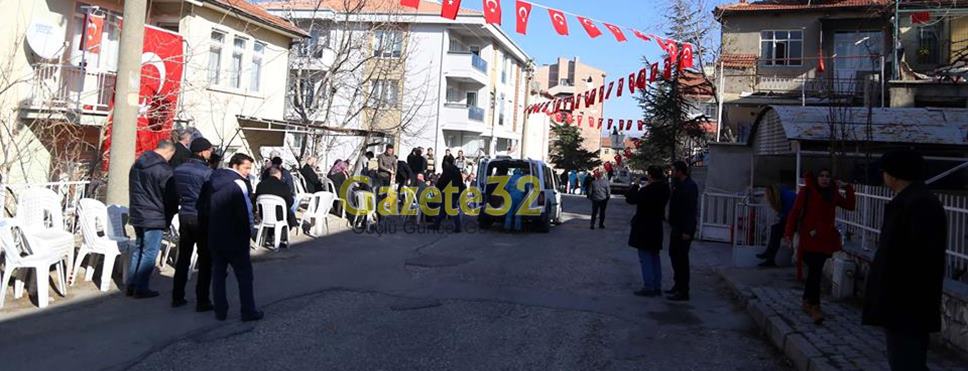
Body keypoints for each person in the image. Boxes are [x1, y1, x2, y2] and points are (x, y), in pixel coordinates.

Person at [863, 150, 946, 371]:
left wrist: (892, 293)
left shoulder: (919, 204)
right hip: (901, 303)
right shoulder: (910, 201)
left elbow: (916, 258)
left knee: (907, 363)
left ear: (894, 174)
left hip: (907, 303)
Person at [784, 168, 856, 324]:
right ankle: (815, 306)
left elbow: (850, 205)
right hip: (809, 238)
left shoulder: (833, 193)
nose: (824, 179)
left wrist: (847, 187)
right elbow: (795, 212)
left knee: (814, 272)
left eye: (827, 176)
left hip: (825, 239)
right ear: (816, 178)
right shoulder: (807, 191)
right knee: (815, 271)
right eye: (821, 176)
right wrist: (788, 233)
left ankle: (806, 301)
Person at [199, 153, 263, 322]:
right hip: (235, 236)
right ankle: (248, 311)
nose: (248, 172)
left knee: (219, 274)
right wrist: (249, 232)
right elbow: (247, 211)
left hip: (215, 234)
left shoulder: (212, 178)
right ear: (235, 166)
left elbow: (203, 207)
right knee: (244, 275)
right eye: (246, 168)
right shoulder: (239, 184)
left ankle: (220, 311)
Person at [127, 140, 178, 298]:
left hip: (137, 213)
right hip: (155, 215)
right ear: (168, 152)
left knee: (139, 248)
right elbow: (171, 198)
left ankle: (132, 285)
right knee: (150, 253)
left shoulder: (137, 164)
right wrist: (168, 218)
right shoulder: (163, 170)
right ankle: (141, 288)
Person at [171, 138, 215, 311]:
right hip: (202, 217)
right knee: (205, 260)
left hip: (185, 215)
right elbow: (211, 196)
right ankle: (202, 300)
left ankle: (177, 296)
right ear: (203, 151)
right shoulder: (206, 172)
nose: (211, 153)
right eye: (209, 150)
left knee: (183, 257)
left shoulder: (179, 169)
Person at [627, 167, 670, 297]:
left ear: (650, 176)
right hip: (656, 225)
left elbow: (630, 199)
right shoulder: (665, 189)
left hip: (644, 226)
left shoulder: (647, 190)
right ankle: (657, 286)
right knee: (654, 257)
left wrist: (635, 185)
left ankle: (648, 286)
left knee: (645, 257)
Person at [666, 161, 699, 302]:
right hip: (676, 226)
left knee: (681, 259)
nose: (671, 173)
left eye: (673, 170)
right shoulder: (678, 185)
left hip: (684, 228)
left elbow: (691, 210)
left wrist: (687, 230)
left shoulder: (690, 186)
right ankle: (677, 284)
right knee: (674, 255)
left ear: (680, 171)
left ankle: (683, 290)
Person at [757, 184, 797, 267]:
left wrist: (782, 217)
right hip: (793, 217)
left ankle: (770, 256)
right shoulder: (783, 194)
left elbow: (789, 211)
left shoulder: (786, 196)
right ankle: (770, 256)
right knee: (775, 229)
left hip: (797, 219)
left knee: (776, 229)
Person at [256, 166, 298, 239]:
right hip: (280, 216)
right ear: (279, 174)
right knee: (289, 213)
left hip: (264, 214)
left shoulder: (260, 185)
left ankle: (270, 234)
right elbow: (290, 201)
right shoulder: (283, 186)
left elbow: (256, 198)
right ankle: (281, 237)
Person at [433, 156, 465, 233]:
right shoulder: (456, 169)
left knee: (450, 208)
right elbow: (460, 181)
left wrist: (438, 187)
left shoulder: (447, 169)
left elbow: (443, 180)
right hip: (455, 191)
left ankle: (457, 227)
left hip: (448, 191)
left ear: (446, 162)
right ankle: (436, 225)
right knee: (444, 208)